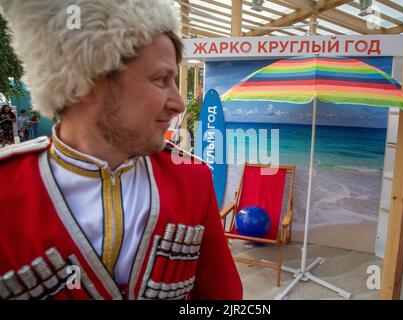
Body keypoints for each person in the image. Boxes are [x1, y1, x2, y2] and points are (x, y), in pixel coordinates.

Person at [0, 0, 242, 300]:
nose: (179, 103)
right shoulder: (6, 189)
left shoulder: (193, 179)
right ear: (85, 81)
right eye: (160, 80)